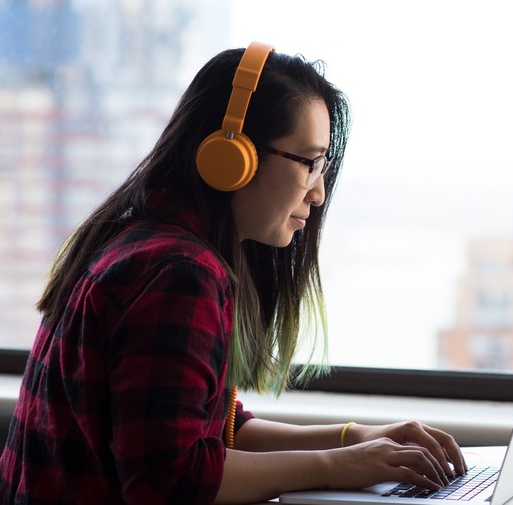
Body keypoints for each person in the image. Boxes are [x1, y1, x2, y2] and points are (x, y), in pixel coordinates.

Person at [0, 42, 467, 504]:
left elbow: (219, 429)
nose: (318, 193)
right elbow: (171, 479)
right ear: (233, 156)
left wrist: (354, 438)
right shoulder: (179, 272)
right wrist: (339, 466)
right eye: (309, 163)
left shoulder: (145, 241)